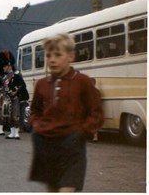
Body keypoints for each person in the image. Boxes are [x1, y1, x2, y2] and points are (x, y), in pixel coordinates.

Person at [29, 33, 104, 192]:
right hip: (47, 147)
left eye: (58, 55)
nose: (52, 60)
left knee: (67, 190)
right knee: (52, 190)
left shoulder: (82, 81)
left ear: (71, 56)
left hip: (72, 148)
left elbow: (96, 112)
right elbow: (35, 110)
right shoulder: (42, 84)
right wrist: (37, 126)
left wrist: (82, 131)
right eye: (49, 56)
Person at [0, 50, 29, 140]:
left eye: (4, 66)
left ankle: (16, 133)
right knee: (9, 116)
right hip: (7, 98)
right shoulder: (4, 78)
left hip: (15, 97)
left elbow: (23, 85)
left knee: (16, 115)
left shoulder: (17, 74)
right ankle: (12, 133)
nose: (3, 68)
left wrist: (16, 91)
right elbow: (3, 89)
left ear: (9, 65)